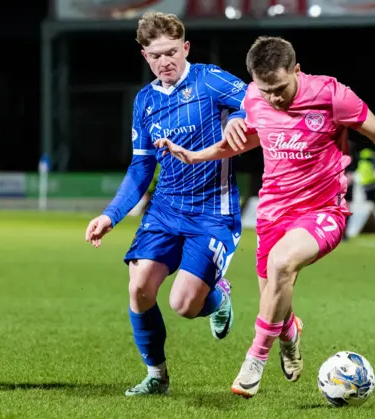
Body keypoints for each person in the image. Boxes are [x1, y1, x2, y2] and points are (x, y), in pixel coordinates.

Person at [154, 36, 375, 398]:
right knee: (274, 296)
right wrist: (192, 156)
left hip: (323, 211)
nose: (273, 98)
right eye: (265, 90)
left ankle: (255, 359)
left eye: (280, 88)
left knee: (282, 265)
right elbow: (246, 140)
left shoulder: (332, 95)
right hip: (272, 213)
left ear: (297, 71)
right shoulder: (254, 98)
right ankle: (289, 333)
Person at [84, 12, 249, 396]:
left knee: (184, 305)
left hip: (213, 211)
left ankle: (217, 296)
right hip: (164, 210)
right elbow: (141, 167)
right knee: (139, 287)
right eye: (156, 55)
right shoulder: (144, 102)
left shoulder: (209, 79)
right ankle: (156, 376)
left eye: (172, 52)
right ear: (145, 56)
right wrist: (111, 214)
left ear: (185, 47)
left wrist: (237, 120)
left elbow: (254, 102)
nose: (165, 62)